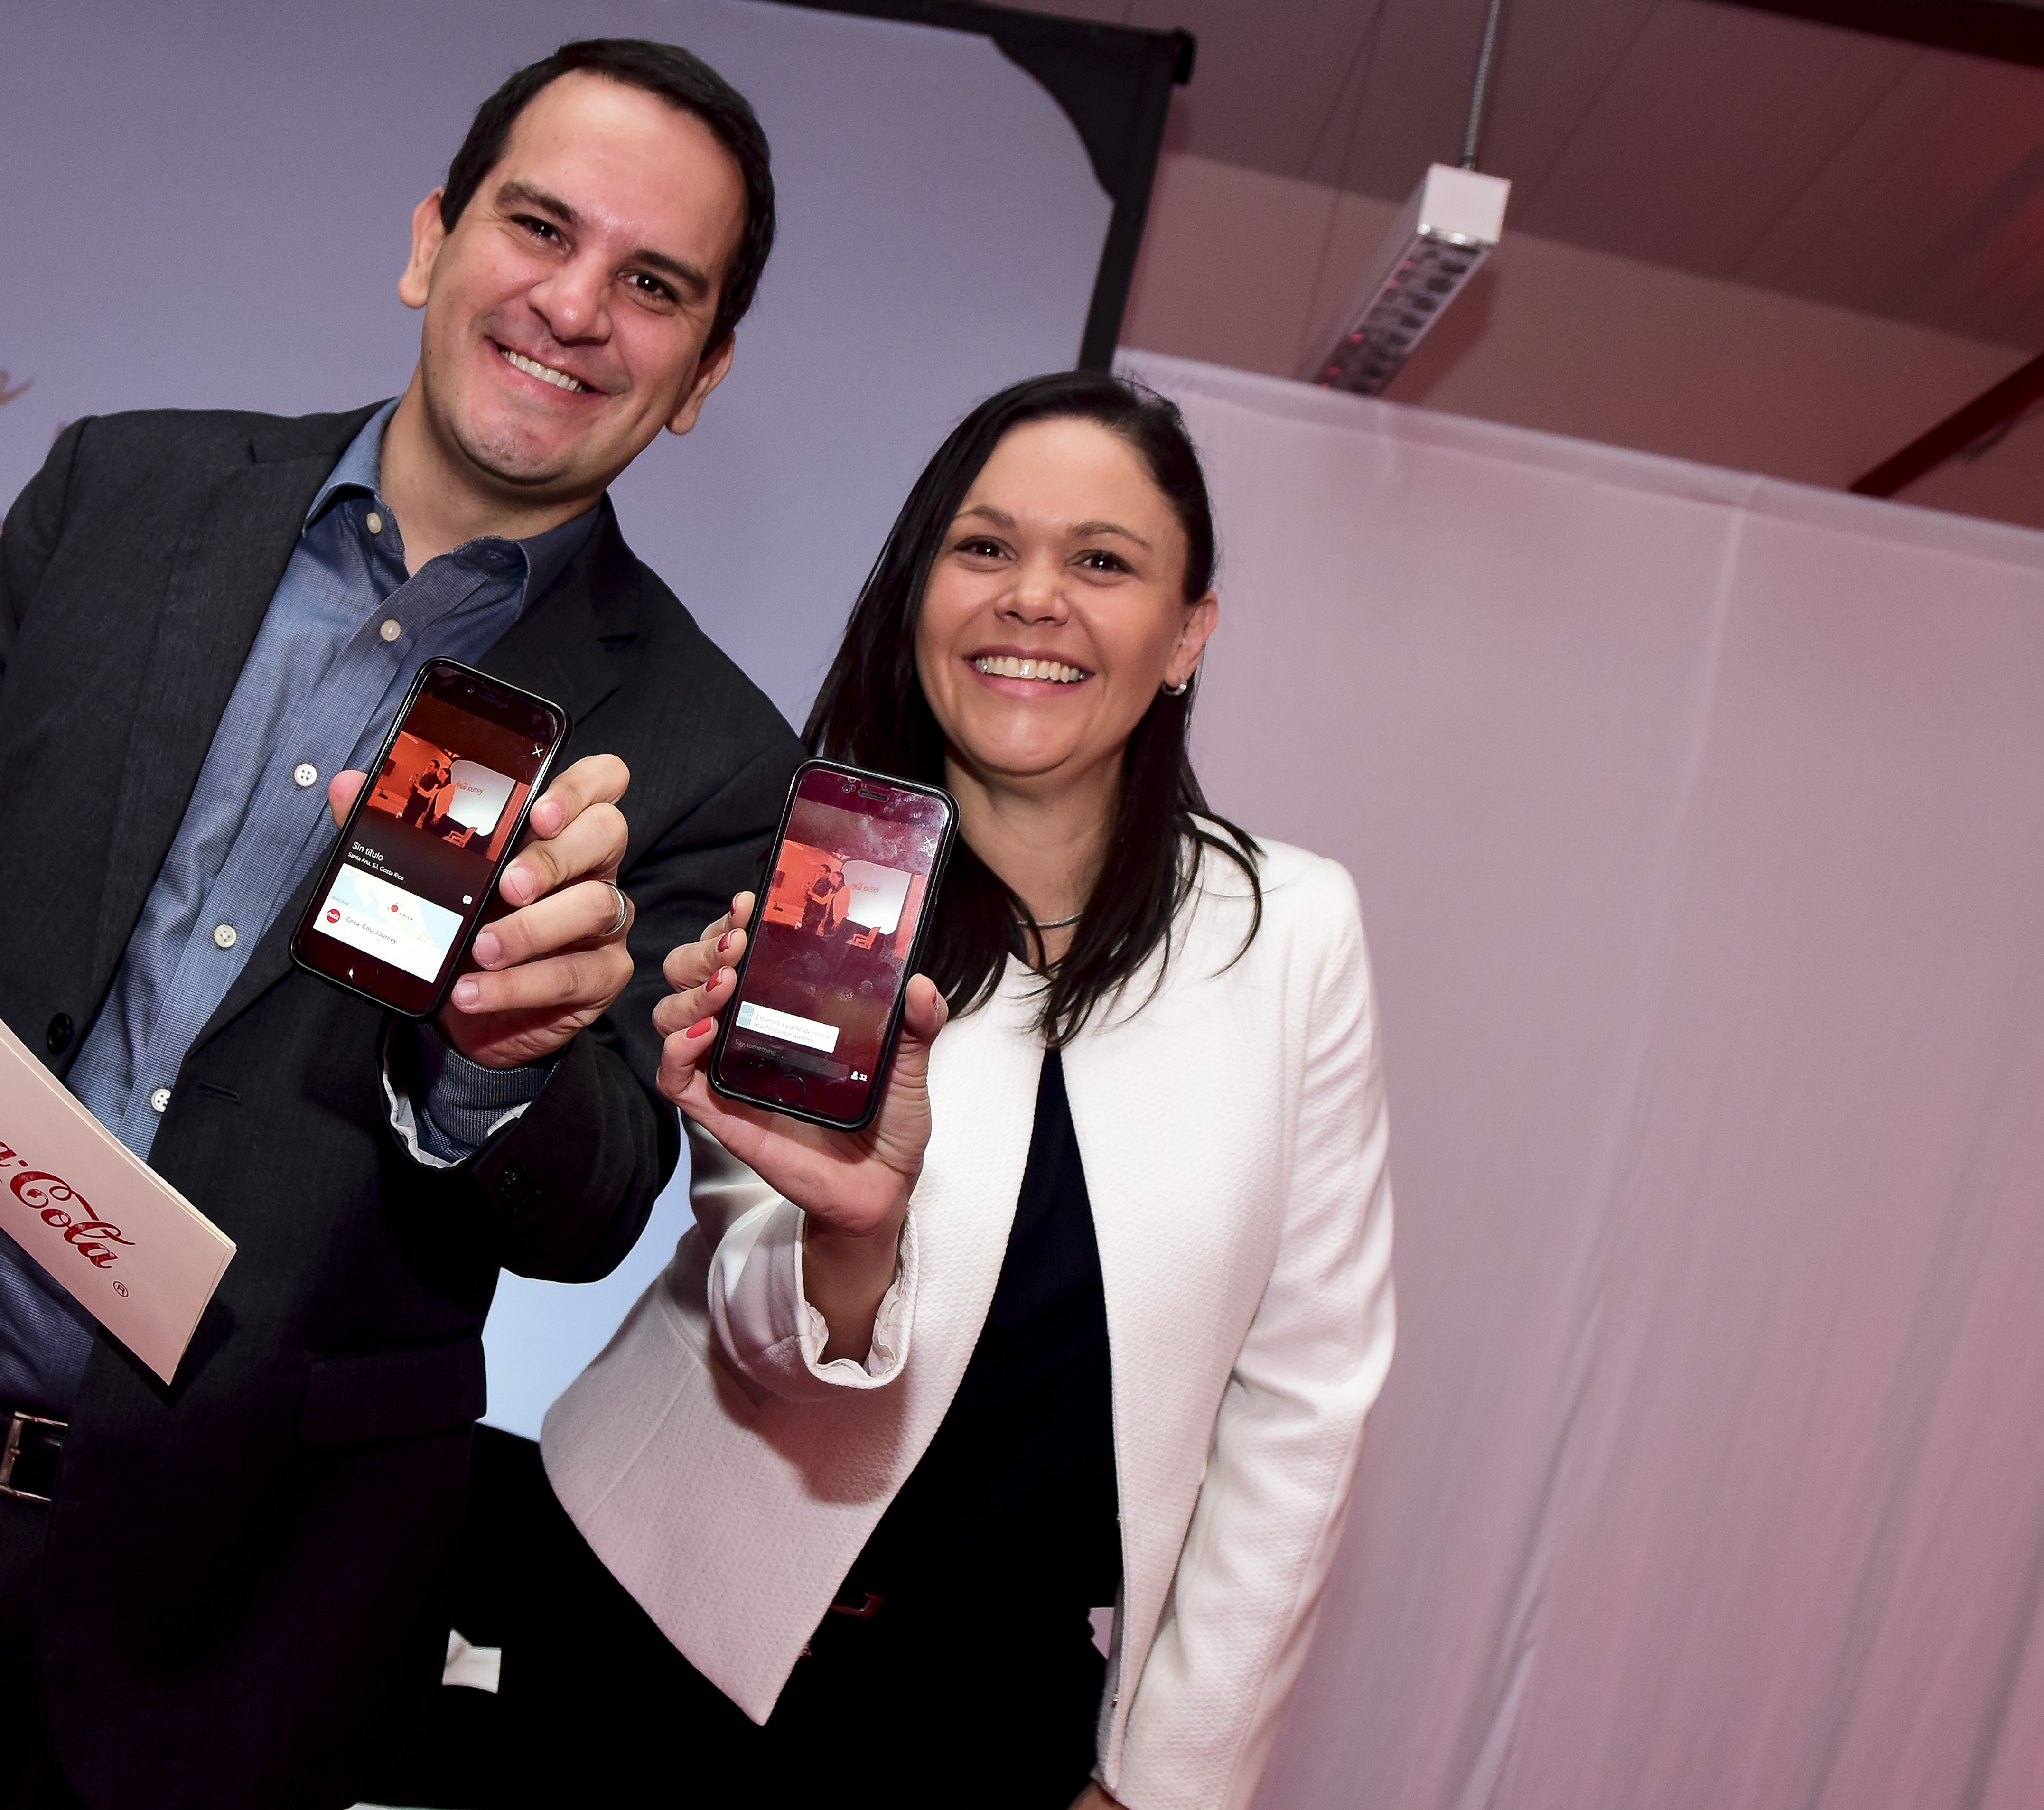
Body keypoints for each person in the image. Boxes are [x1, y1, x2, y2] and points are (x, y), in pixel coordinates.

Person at [0, 40, 802, 1810]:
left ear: (702, 373)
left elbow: (596, 1205)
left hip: (227, 1631)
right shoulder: (120, 492)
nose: (578, 307)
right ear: (432, 240)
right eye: (539, 227)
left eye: (656, 284)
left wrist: (498, 1065)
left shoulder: (712, 750)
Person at [510, 371, 1397, 1810]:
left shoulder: (1289, 931)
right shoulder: (817, 874)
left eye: (1101, 562)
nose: (1032, 599)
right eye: (985, 548)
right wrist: (850, 1234)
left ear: (1188, 634)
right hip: (658, 1621)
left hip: (992, 1696)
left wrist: (1166, 1785)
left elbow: (1305, 1398)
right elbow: (759, 1327)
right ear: (920, 592)